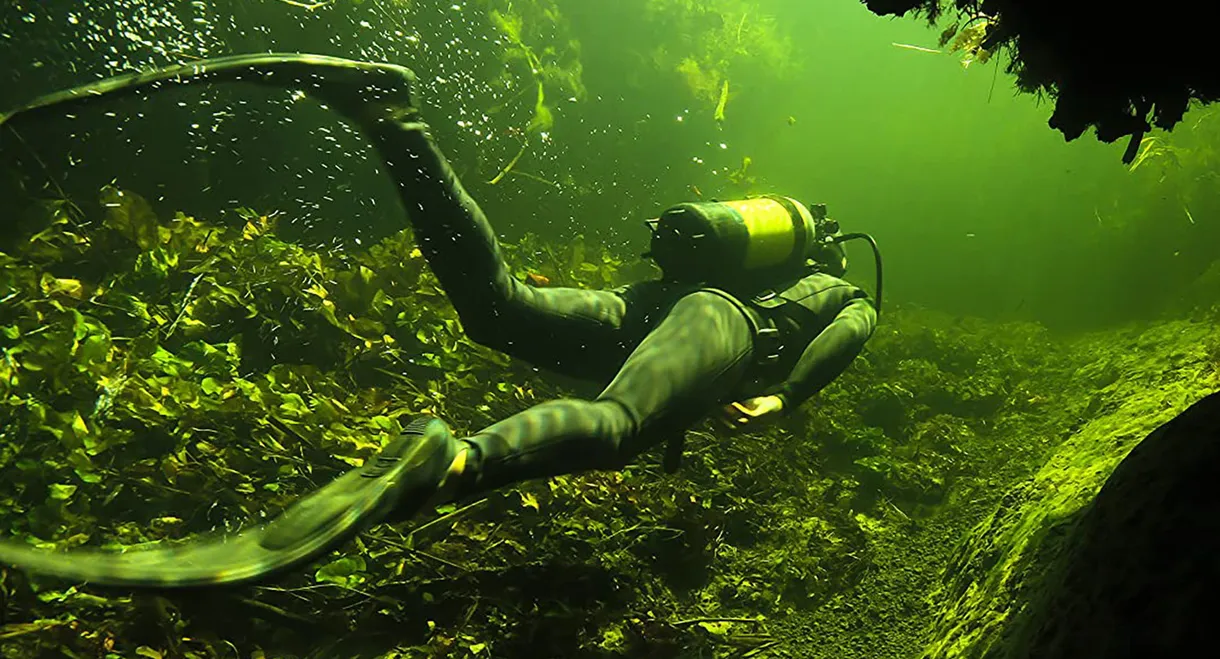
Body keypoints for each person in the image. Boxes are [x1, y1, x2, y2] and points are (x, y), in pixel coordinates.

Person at [0, 54, 877, 587]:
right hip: (718, 321)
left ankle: (392, 114)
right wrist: (787, 400)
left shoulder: (774, 255)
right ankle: (449, 460)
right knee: (615, 424)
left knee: (496, 307)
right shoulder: (839, 292)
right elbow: (851, 334)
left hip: (641, 307)